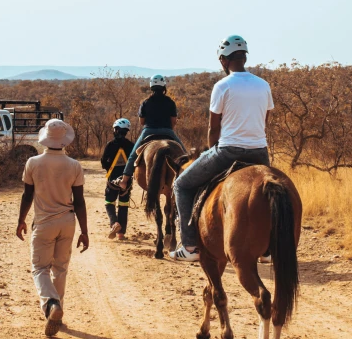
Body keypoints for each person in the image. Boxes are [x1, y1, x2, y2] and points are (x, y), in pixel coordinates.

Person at [170, 35, 274, 262]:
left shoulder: (222, 86)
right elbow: (264, 121)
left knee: (181, 185)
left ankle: (189, 247)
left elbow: (213, 126)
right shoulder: (263, 85)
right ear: (244, 57)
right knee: (271, 193)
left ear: (223, 61)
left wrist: (211, 148)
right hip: (260, 152)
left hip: (228, 151)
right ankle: (268, 249)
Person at [16, 118, 89, 336]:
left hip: (44, 222)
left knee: (40, 268)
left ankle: (51, 304)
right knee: (61, 268)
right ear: (65, 141)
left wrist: (21, 220)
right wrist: (84, 231)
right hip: (67, 222)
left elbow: (27, 195)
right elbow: (80, 201)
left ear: (45, 139)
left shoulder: (33, 163)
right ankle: (57, 310)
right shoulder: (74, 165)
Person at [112, 75, 185, 194]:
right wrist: (167, 129)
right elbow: (173, 121)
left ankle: (124, 180)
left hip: (149, 130)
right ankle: (191, 175)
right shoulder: (170, 102)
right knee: (184, 154)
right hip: (168, 131)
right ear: (163, 87)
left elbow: (142, 121)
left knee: (132, 156)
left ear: (151, 87)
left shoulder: (146, 102)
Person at [101, 118, 135, 239]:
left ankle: (114, 223)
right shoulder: (131, 145)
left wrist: (111, 170)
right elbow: (135, 163)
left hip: (112, 179)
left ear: (115, 130)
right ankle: (121, 234)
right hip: (127, 181)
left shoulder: (110, 145)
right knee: (123, 205)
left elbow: (103, 162)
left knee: (109, 202)